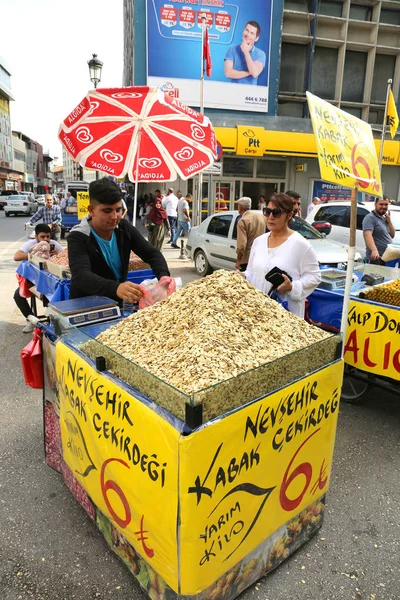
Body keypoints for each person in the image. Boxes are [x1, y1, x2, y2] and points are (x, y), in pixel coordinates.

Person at [67, 178, 170, 303]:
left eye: (118, 210)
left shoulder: (124, 228)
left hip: (117, 303)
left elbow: (151, 253)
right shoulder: (79, 236)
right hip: (86, 305)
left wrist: (164, 277)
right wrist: (116, 288)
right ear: (91, 210)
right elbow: (81, 276)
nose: (114, 217)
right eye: (107, 210)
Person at [245, 193, 321, 317]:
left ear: (289, 215)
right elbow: (252, 273)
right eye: (267, 211)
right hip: (257, 313)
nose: (270, 217)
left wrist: (292, 287)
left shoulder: (300, 245)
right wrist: (242, 276)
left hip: (286, 315)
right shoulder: (259, 241)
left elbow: (314, 277)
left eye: (276, 213)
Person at [14, 224, 63, 333]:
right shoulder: (31, 244)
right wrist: (33, 255)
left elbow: (66, 256)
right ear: (36, 237)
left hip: (52, 281)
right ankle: (32, 320)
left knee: (56, 296)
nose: (46, 239)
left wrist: (59, 255)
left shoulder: (54, 244)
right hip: (34, 280)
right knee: (18, 296)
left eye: (48, 236)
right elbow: (16, 256)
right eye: (42, 237)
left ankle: (54, 322)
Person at [235, 197, 266, 271]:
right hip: (260, 255)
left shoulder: (242, 221)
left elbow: (241, 245)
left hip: (247, 259)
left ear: (240, 207)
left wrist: (239, 260)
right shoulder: (261, 216)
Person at [362, 196, 395, 265]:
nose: (383, 206)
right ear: (375, 204)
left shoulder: (384, 218)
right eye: (381, 204)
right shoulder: (370, 218)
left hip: (386, 258)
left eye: (386, 204)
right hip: (376, 258)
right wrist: (374, 250)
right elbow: (367, 235)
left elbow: (392, 235)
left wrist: (389, 222)